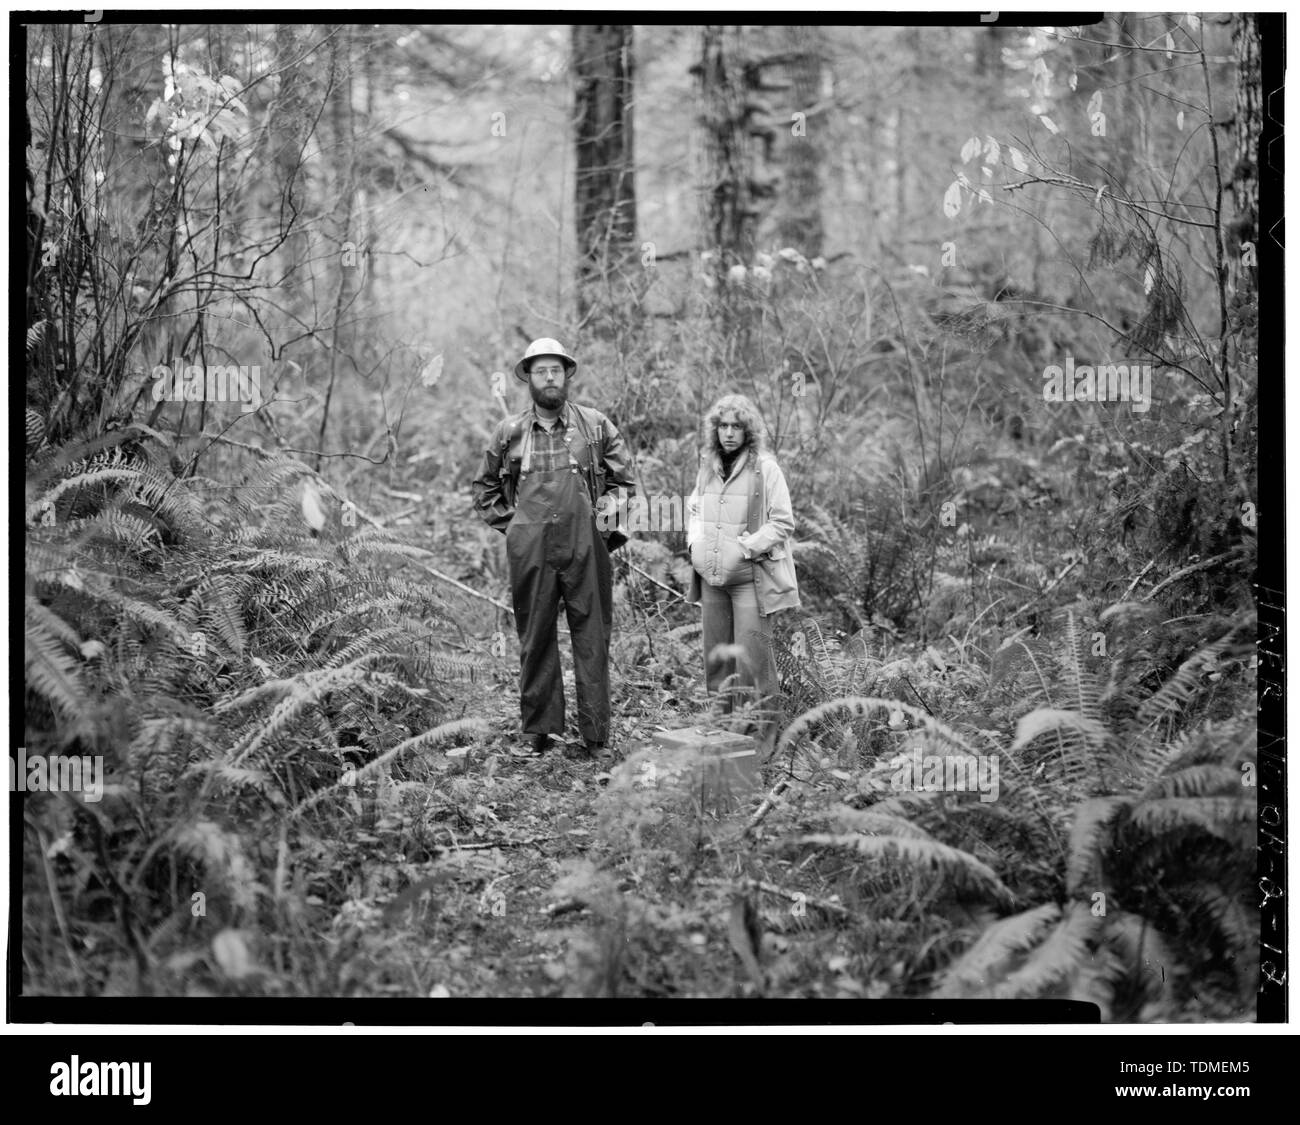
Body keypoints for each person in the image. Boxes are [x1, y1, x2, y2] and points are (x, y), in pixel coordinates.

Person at [471, 338, 636, 759]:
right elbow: (485, 489)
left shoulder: (595, 426)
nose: (549, 378)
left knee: (592, 635)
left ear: (567, 375)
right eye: (541, 371)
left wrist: (604, 532)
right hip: (532, 550)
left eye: (556, 371)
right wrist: (517, 530)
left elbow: (624, 484)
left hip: (587, 546)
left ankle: (595, 736)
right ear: (528, 378)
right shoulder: (509, 432)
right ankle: (539, 729)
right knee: (535, 634)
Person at [686, 394, 800, 755]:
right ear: (715, 430)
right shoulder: (708, 466)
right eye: (723, 426)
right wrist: (694, 545)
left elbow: (783, 520)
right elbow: (693, 509)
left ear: (748, 430)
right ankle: (721, 738)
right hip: (712, 578)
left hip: (750, 579)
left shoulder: (764, 468)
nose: (729, 433)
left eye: (737, 426)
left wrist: (747, 547)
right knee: (717, 660)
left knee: (752, 665)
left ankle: (758, 748)